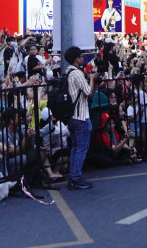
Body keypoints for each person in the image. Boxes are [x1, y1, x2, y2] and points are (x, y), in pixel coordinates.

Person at [64, 46, 97, 190]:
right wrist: (92, 79)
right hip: (80, 116)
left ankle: (74, 176)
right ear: (76, 59)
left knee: (76, 148)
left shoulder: (68, 72)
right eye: (81, 57)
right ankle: (75, 178)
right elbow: (89, 93)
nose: (83, 59)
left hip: (73, 116)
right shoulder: (76, 73)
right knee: (80, 149)